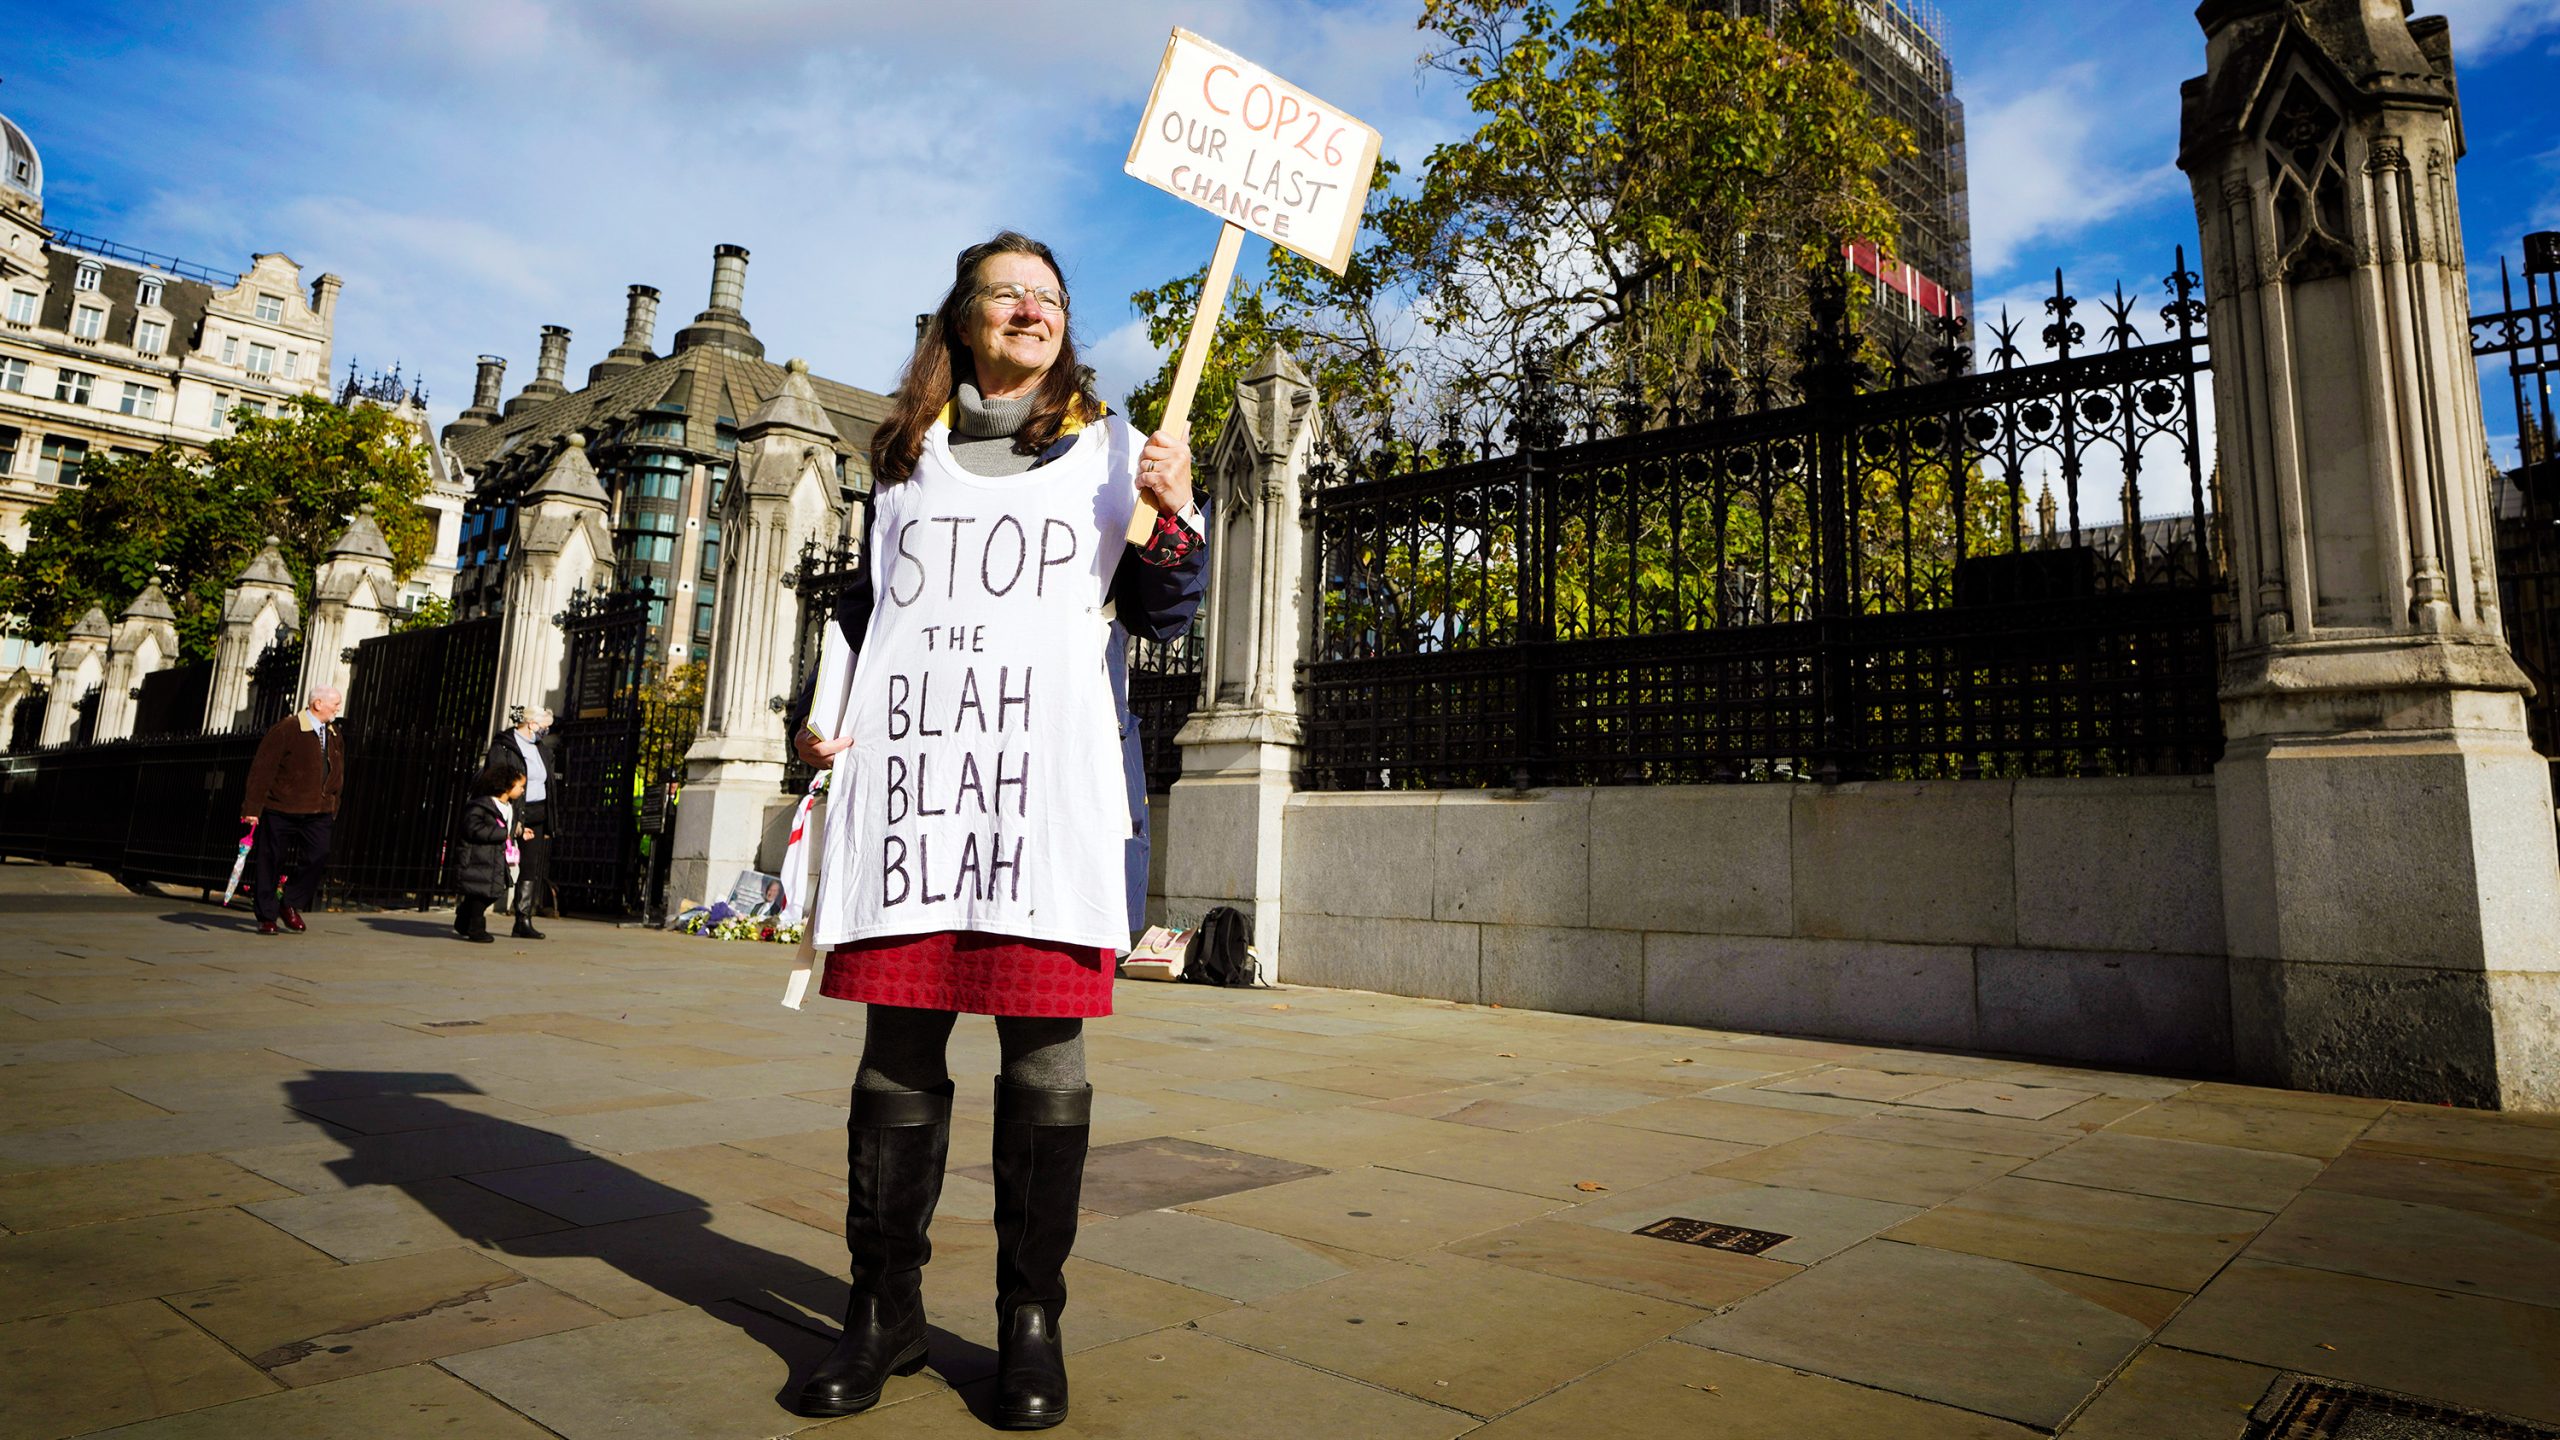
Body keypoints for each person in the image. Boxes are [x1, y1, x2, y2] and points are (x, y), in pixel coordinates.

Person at [783, 232, 1207, 1428]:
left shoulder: (1113, 450)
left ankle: (1031, 1324)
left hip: (1048, 806)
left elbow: (1167, 611)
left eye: (1051, 299)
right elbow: (868, 621)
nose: (1031, 309)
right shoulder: (903, 458)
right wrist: (823, 723)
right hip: (922, 798)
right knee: (898, 1056)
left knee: (1045, 1060)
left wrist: (1170, 517)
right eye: (1006, 293)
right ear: (962, 319)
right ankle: (883, 1313)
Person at [240, 685, 346, 936]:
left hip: (318, 809)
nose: (338, 708)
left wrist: (333, 802)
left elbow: (338, 770)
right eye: (335, 703)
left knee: (319, 854)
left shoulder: (333, 733)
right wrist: (253, 807)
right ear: (317, 703)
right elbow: (262, 769)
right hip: (282, 807)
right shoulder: (286, 729)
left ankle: (289, 903)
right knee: (271, 860)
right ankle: (267, 916)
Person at [486, 706, 556, 939]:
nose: (546, 731)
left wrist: (549, 822)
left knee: (529, 866)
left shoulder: (541, 750)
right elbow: (496, 777)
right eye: (545, 727)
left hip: (537, 812)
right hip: (512, 810)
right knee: (494, 859)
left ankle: (523, 918)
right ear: (531, 724)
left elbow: (549, 786)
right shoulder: (506, 745)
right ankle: (473, 911)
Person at [452, 763, 531, 944]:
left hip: (497, 858)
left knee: (494, 891)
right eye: (520, 786)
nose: (522, 790)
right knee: (481, 894)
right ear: (506, 786)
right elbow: (472, 828)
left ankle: (464, 918)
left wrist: (518, 832)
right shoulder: (482, 805)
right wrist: (501, 834)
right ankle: (476, 928)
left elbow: (508, 827)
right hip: (480, 858)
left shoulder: (509, 807)